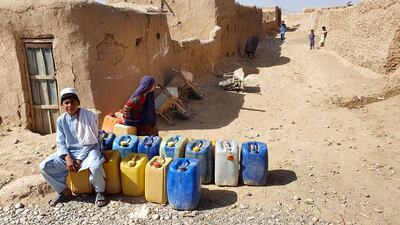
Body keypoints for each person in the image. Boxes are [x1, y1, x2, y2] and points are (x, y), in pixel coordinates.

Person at [40, 88, 106, 207]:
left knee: (96, 166)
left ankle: (100, 191)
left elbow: (91, 141)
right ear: (61, 105)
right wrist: (67, 158)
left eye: (72, 102)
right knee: (44, 166)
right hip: (70, 153)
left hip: (90, 150)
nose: (70, 105)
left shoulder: (89, 116)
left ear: (78, 103)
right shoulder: (61, 120)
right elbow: (60, 142)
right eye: (66, 102)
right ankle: (63, 191)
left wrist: (79, 160)